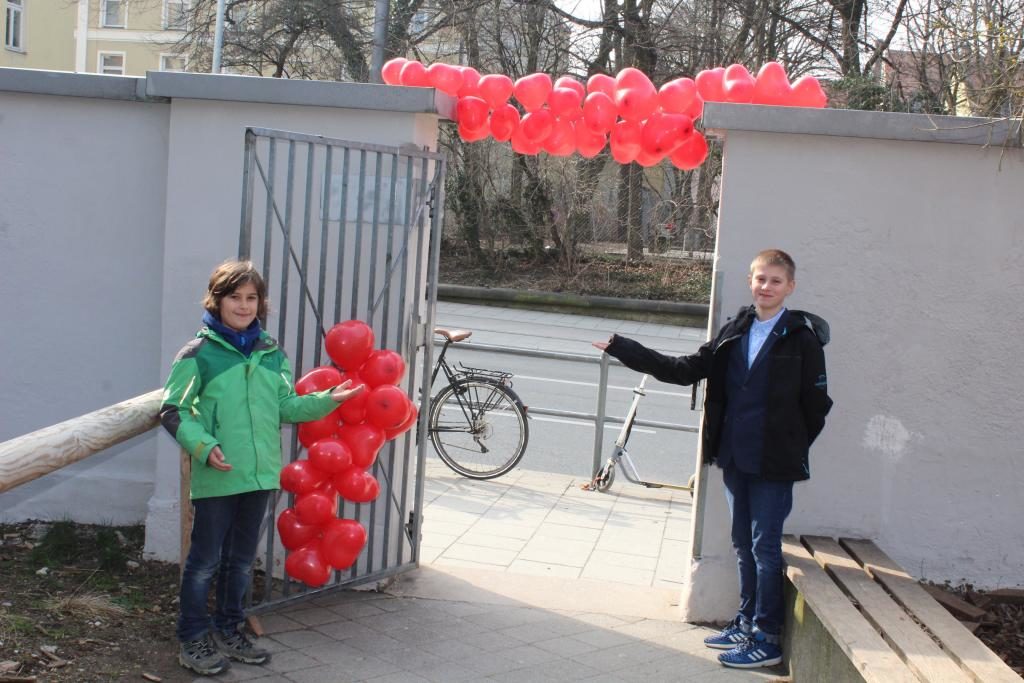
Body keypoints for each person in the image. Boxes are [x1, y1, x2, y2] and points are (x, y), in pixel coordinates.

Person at [593, 248, 832, 669]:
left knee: (765, 547)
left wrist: (791, 444)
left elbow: (816, 405)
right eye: (760, 279)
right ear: (750, 281)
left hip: (774, 462)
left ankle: (767, 635)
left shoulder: (803, 338)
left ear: (789, 287)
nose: (766, 287)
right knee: (742, 543)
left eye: (776, 281)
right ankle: (745, 621)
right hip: (736, 455)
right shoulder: (736, 330)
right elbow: (686, 368)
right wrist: (623, 348)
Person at [159, 260, 364, 676]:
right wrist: (205, 447)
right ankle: (192, 636)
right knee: (204, 562)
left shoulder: (271, 353)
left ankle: (230, 627)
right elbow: (174, 410)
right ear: (216, 301)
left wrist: (329, 399)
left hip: (260, 474)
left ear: (261, 303)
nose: (244, 305)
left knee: (239, 560)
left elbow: (286, 407)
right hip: (219, 473)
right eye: (235, 297)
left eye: (252, 298)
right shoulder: (198, 354)